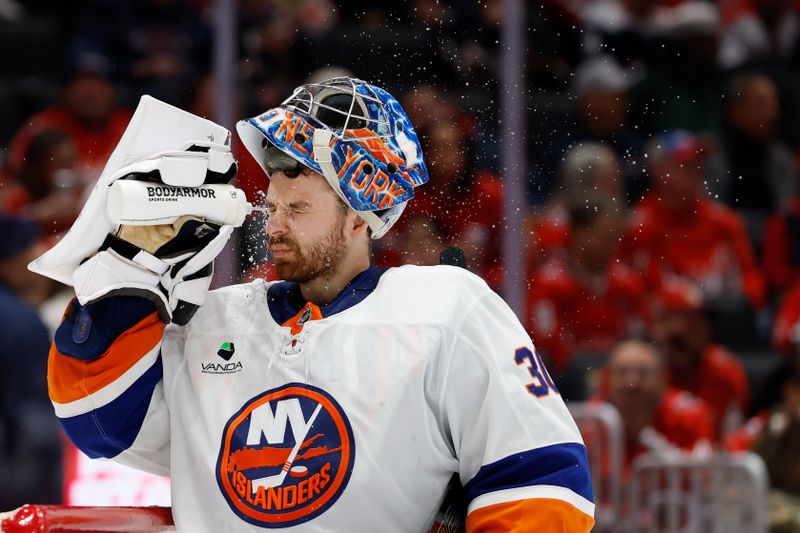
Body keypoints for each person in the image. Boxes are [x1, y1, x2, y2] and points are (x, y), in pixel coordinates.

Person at [36, 79, 594, 531]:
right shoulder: (212, 322)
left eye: (297, 209)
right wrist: (128, 278)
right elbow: (97, 423)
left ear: (361, 212)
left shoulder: (446, 310)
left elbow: (542, 479)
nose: (274, 224)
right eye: (273, 204)